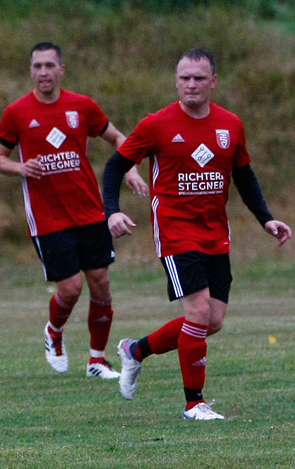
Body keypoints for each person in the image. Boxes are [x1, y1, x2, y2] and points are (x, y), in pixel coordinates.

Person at [103, 47, 291, 420]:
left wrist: (265, 219)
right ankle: (194, 403)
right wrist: (112, 212)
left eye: (199, 78)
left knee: (212, 321)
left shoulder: (231, 125)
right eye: (185, 78)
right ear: (176, 81)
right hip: (175, 232)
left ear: (213, 82)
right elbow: (114, 167)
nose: (191, 84)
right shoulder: (156, 124)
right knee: (199, 312)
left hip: (215, 233)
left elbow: (244, 175)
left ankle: (134, 351)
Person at [0, 42, 147, 379]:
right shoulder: (17, 112)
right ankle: (54, 333)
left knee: (101, 284)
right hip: (47, 217)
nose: (43, 72)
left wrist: (130, 169)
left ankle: (97, 361)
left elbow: (120, 139)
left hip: (89, 211)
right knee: (71, 289)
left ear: (61, 70)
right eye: (37, 66)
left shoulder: (82, 106)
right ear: (31, 71)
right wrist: (20, 168)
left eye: (49, 65)